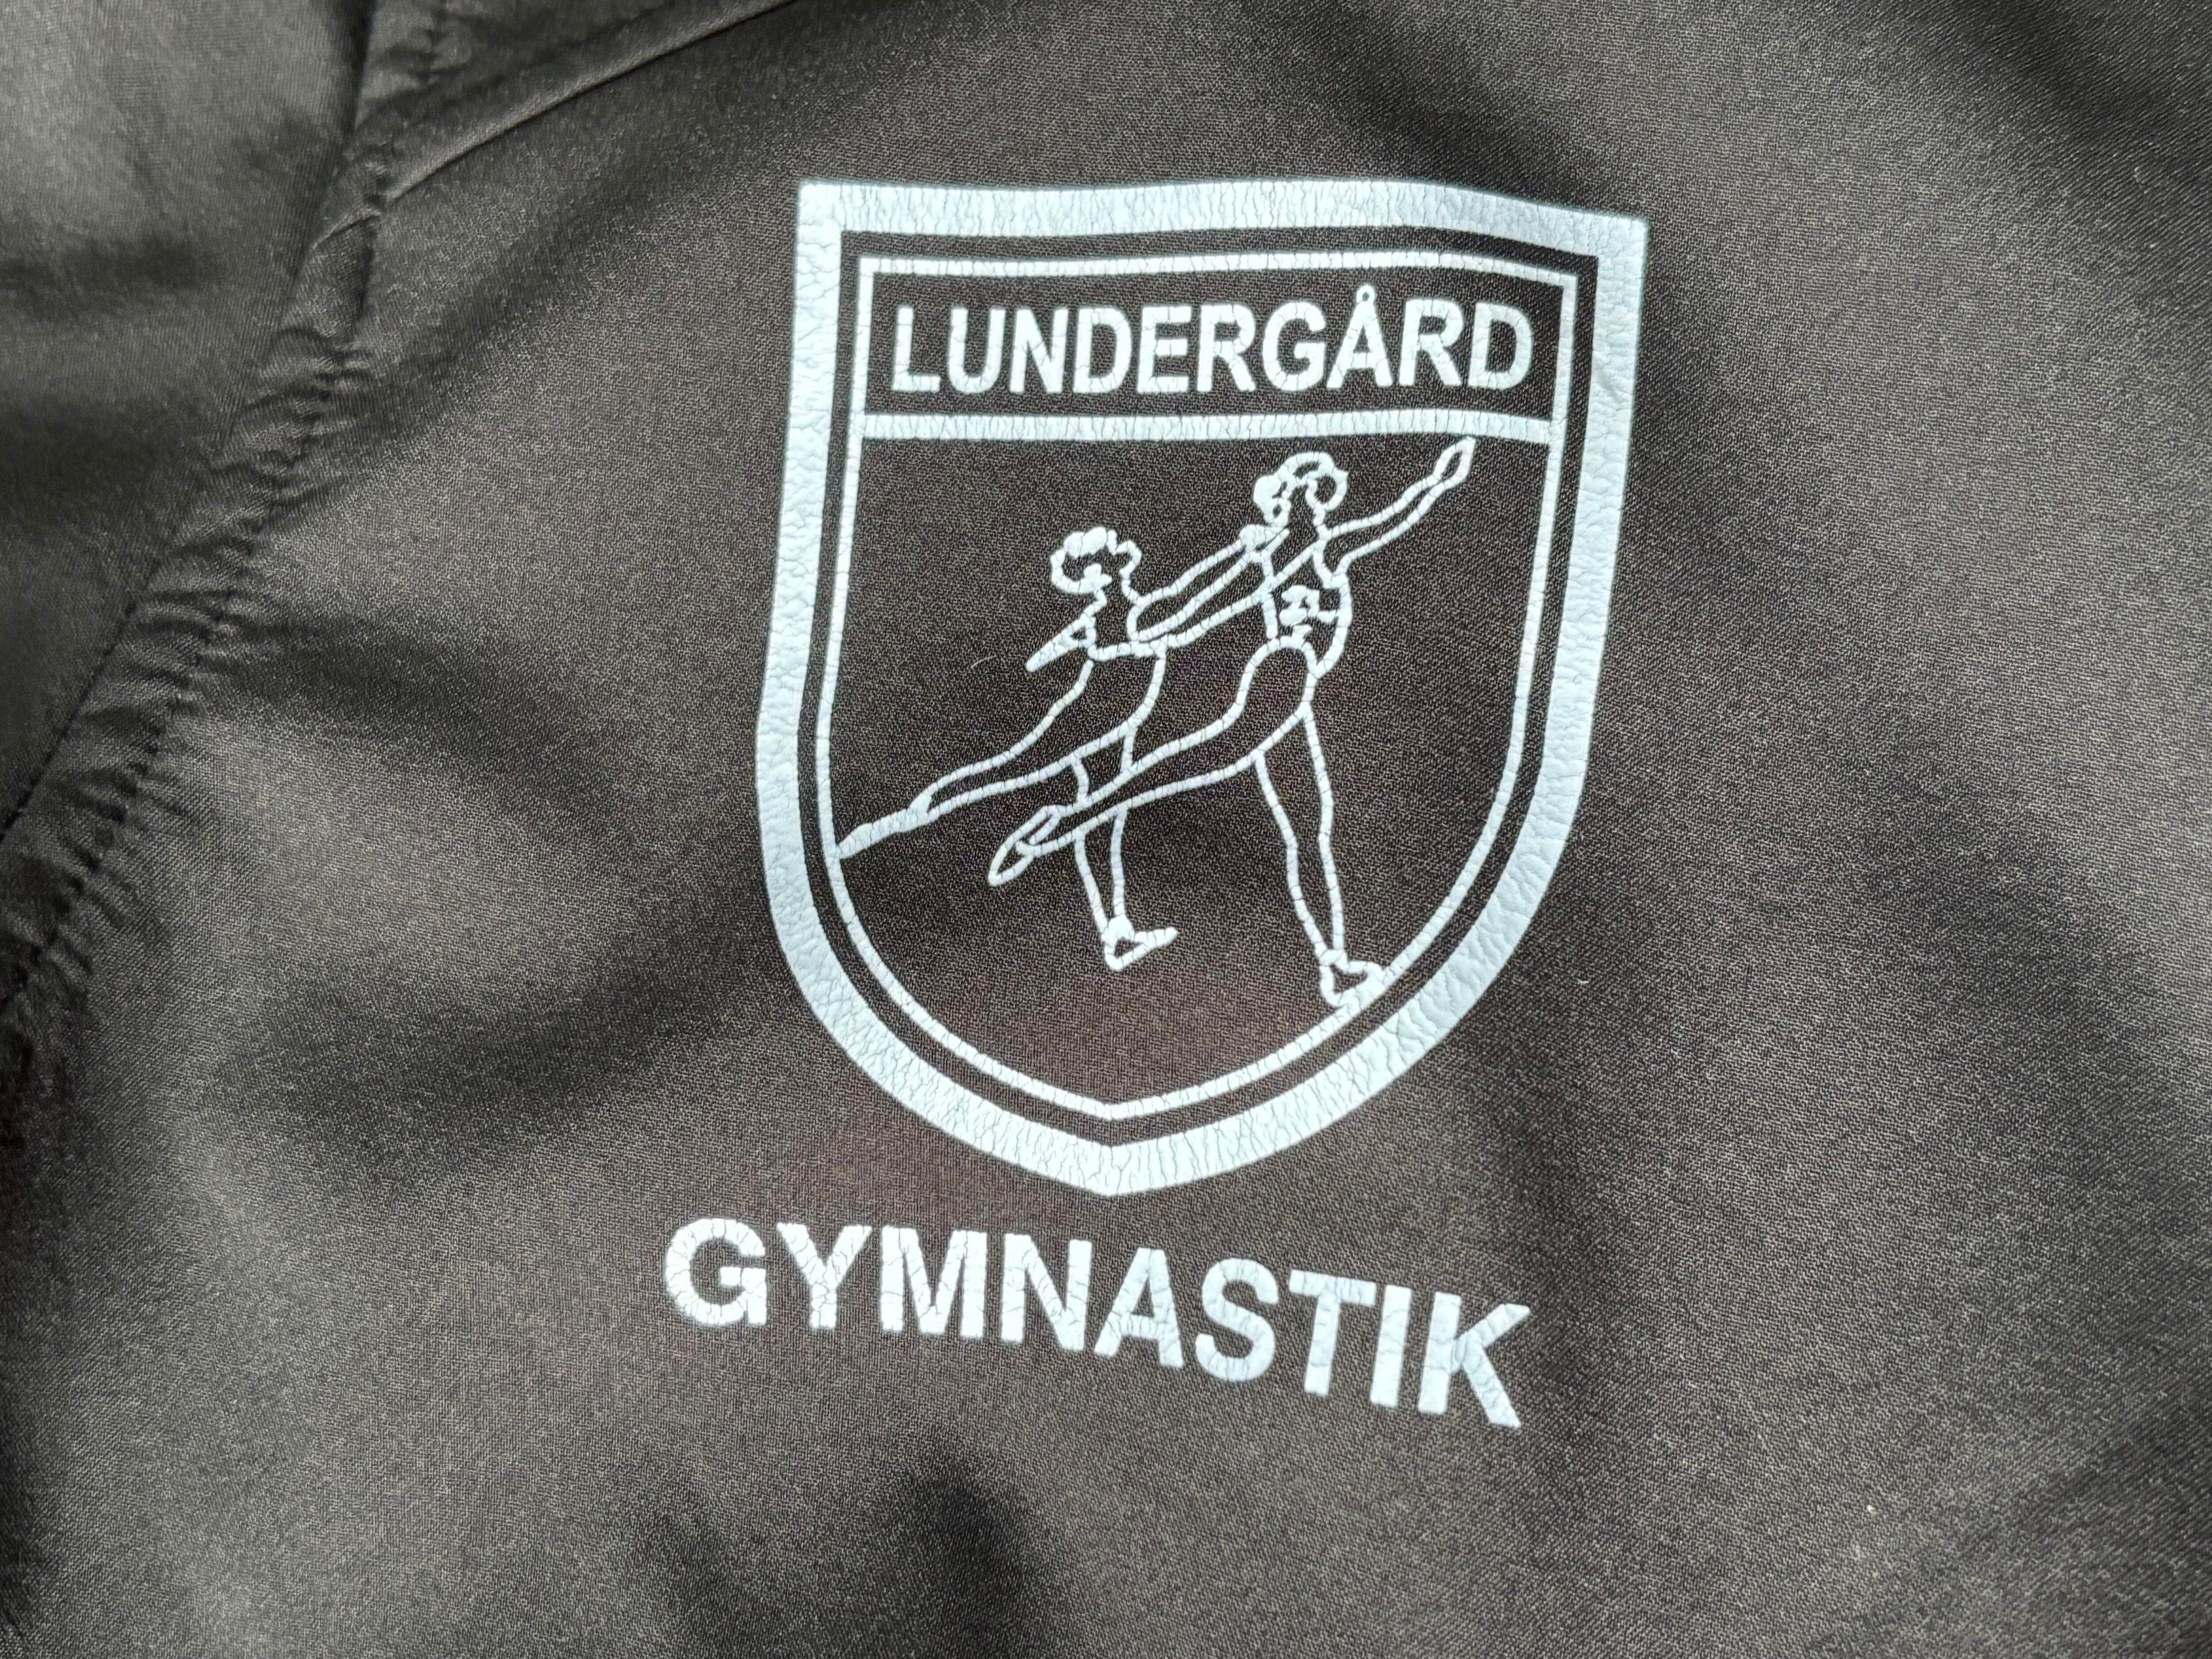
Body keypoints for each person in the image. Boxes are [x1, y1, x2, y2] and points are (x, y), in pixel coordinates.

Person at [843, 436, 1477, 1006]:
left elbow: (1385, 523)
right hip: (1283, 670)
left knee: (1304, 827)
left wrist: (1439, 482)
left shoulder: (1322, 551)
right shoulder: (1269, 559)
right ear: (1288, 502)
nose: (1318, 501)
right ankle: (1068, 820)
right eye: (1307, 492)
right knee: (1212, 756)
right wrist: (1136, 628)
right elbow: (1190, 607)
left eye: (1321, 492)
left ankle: (1333, 966)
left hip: (1296, 695)